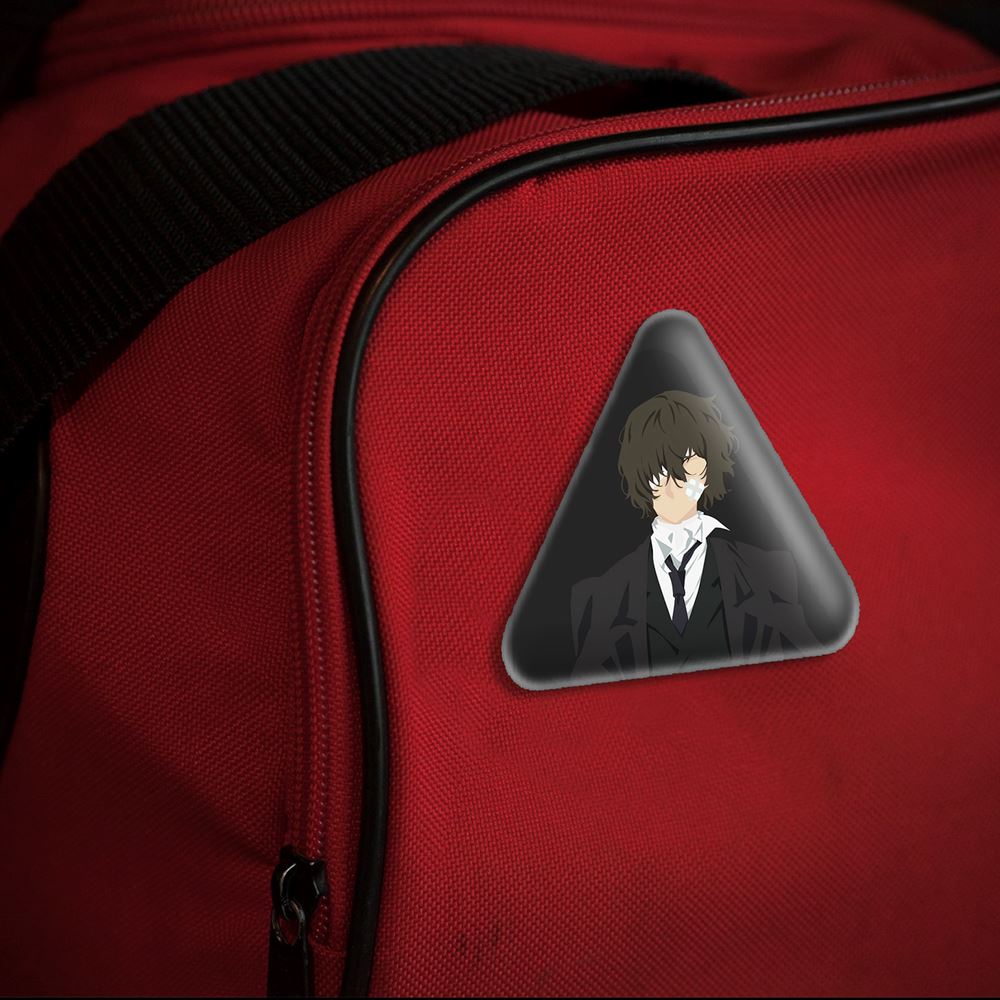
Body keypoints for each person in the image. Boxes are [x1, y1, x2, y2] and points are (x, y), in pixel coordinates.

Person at [570, 390, 815, 678]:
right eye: (657, 472)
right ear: (641, 476)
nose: (671, 486)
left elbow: (801, 671)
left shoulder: (770, 575)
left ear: (707, 471)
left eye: (684, 468)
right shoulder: (598, 599)